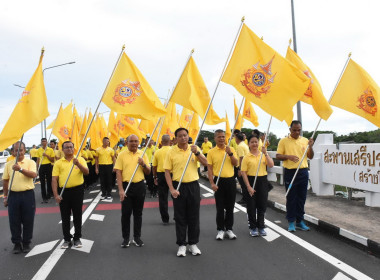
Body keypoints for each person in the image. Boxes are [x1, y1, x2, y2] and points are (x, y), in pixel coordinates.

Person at [164, 128, 208, 257]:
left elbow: (206, 163)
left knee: (194, 217)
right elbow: (167, 172)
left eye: (185, 135)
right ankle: (182, 244)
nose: (183, 138)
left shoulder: (194, 149)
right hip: (179, 186)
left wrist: (197, 153)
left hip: (193, 186)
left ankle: (193, 244)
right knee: (180, 217)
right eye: (180, 136)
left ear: (188, 136)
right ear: (176, 138)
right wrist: (172, 189)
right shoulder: (171, 152)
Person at [276, 120, 314, 232]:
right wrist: (288, 156)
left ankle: (300, 221)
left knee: (302, 198)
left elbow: (310, 156)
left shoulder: (305, 140)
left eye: (299, 130)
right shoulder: (283, 141)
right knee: (291, 197)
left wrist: (310, 147)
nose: (297, 132)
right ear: (290, 130)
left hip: (303, 172)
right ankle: (291, 221)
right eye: (294, 130)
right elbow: (278, 155)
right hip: (290, 172)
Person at [115, 135, 150, 248]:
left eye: (136, 141)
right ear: (127, 142)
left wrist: (143, 164)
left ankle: (137, 237)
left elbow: (148, 172)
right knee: (125, 214)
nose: (134, 143)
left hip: (139, 186)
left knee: (138, 213)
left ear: (139, 142)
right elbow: (118, 172)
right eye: (131, 141)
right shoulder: (121, 155)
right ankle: (126, 238)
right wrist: (120, 190)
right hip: (126, 186)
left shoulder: (142, 154)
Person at [52, 141, 89, 249]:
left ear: (74, 148)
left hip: (77, 191)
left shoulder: (80, 159)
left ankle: (77, 238)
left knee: (77, 215)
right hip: (64, 192)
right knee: (65, 216)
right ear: (62, 150)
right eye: (67, 147)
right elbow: (54, 179)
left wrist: (78, 164)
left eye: (71, 147)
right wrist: (56, 195)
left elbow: (86, 172)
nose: (69, 149)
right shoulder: (58, 163)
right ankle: (67, 239)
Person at [2, 141, 37, 254]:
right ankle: (17, 243)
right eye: (16, 150)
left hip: (27, 194)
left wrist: (20, 169)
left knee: (28, 220)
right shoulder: (8, 164)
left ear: (24, 150)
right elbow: (5, 181)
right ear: (12, 152)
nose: (19, 152)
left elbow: (33, 175)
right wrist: (5, 197)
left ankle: (26, 242)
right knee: (14, 220)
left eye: (21, 150)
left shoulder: (30, 162)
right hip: (13, 196)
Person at [207, 130, 238, 240]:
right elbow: (209, 169)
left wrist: (230, 153)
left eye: (223, 137)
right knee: (220, 207)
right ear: (215, 138)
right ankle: (220, 229)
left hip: (230, 180)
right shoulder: (211, 152)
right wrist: (212, 183)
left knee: (230, 207)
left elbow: (236, 163)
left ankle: (229, 229)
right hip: (218, 180)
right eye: (219, 137)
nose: (221, 138)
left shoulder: (231, 149)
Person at [241, 134, 274, 237]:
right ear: (249, 144)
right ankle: (253, 227)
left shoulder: (263, 155)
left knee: (262, 205)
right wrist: (248, 187)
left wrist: (266, 154)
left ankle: (261, 226)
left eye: (256, 141)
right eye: (252, 142)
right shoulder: (246, 157)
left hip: (262, 181)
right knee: (251, 206)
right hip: (251, 181)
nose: (254, 144)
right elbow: (243, 172)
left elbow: (271, 165)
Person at [152, 134, 171, 224]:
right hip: (172, 174)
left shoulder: (157, 152)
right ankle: (177, 216)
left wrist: (155, 177)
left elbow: (154, 167)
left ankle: (165, 218)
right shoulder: (173, 150)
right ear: (170, 141)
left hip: (161, 175)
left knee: (163, 198)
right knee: (177, 196)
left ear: (161, 142)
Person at [36, 138, 55, 203]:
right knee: (42, 182)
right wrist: (37, 169)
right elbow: (38, 160)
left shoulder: (50, 150)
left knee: (49, 181)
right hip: (41, 166)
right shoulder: (39, 150)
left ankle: (49, 194)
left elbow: (52, 160)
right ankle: (44, 197)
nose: (43, 142)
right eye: (42, 141)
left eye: (45, 141)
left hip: (48, 165)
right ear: (41, 142)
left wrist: (46, 155)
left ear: (47, 142)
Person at [235, 133, 249, 205]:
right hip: (246, 166)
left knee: (243, 184)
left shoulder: (240, 146)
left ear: (237, 139)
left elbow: (241, 157)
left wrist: (240, 169)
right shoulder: (244, 144)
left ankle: (245, 200)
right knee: (244, 184)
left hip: (242, 167)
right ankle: (245, 199)